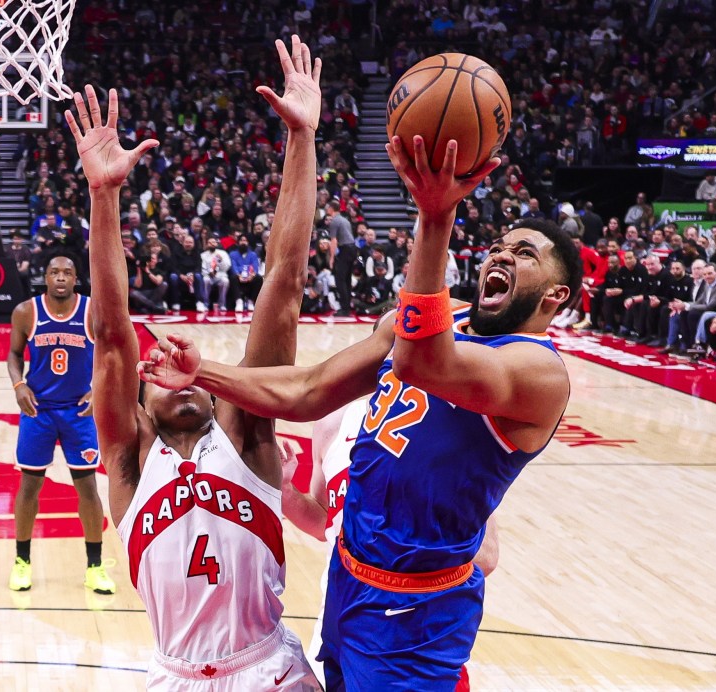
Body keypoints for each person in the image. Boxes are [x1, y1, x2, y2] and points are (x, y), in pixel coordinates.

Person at [142, 136, 582, 690]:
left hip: (416, 610)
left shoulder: (539, 372)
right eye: (499, 246)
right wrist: (201, 373)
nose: (502, 255)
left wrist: (434, 216)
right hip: (348, 578)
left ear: (554, 296)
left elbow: (422, 360)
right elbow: (309, 389)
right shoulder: (433, 320)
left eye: (525, 254)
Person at [66, 36, 323, 689]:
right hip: (173, 675)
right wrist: (104, 197)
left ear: (213, 391)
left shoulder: (245, 433)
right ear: (140, 404)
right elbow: (112, 336)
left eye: (185, 368)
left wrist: (302, 140)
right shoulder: (129, 462)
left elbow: (284, 282)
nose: (173, 373)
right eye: (157, 369)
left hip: (267, 668)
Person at [280, 395, 500, 689]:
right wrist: (286, 492)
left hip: (412, 637)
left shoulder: (454, 424)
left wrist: (394, 556)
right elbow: (325, 521)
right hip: (338, 622)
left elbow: (487, 556)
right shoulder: (333, 422)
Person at [6, 255, 113, 596]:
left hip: (78, 413)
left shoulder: (92, 311)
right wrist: (18, 385)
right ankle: (22, 561)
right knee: (29, 486)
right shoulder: (26, 311)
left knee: (88, 488)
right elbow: (14, 354)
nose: (61, 277)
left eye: (67, 272)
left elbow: (112, 354)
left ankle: (95, 567)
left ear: (76, 278)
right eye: (55, 272)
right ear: (46, 277)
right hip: (38, 411)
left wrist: (99, 389)